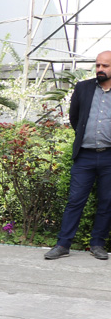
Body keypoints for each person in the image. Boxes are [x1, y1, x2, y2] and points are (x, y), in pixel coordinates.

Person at [45, 50, 111, 260]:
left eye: (105, 66)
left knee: (107, 201)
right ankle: (63, 244)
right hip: (85, 156)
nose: (100, 69)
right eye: (98, 65)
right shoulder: (83, 88)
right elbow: (75, 117)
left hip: (110, 157)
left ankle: (97, 244)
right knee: (75, 200)